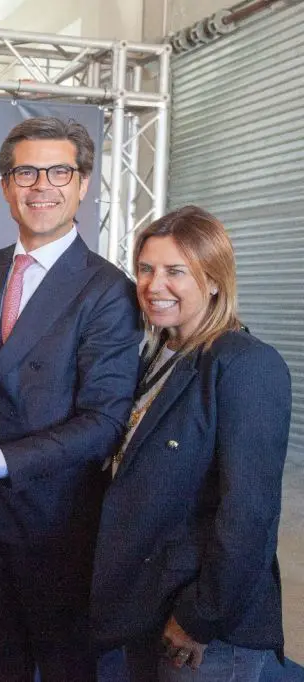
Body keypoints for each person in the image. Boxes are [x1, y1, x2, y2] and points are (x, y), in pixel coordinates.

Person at [0, 116, 141, 681]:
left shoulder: (108, 290)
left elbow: (104, 421)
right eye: (26, 173)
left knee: (66, 669)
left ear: (83, 183)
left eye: (58, 172)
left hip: (56, 526)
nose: (41, 185)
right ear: (5, 186)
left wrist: (0, 460)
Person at [91, 205, 290, 681]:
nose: (154, 285)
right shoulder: (162, 352)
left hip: (204, 631)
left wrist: (200, 618)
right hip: (150, 604)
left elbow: (249, 514)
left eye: (175, 271)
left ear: (214, 280)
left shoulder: (245, 364)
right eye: (146, 269)